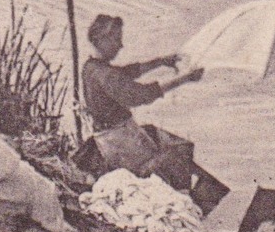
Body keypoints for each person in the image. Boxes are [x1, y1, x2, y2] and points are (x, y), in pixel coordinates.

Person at [79, 14, 205, 191]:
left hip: (111, 135)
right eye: (116, 39)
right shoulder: (105, 74)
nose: (121, 45)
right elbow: (141, 95)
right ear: (101, 39)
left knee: (163, 138)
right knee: (180, 151)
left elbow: (128, 72)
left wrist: (160, 62)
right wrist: (186, 79)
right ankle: (183, 198)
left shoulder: (91, 66)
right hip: (120, 141)